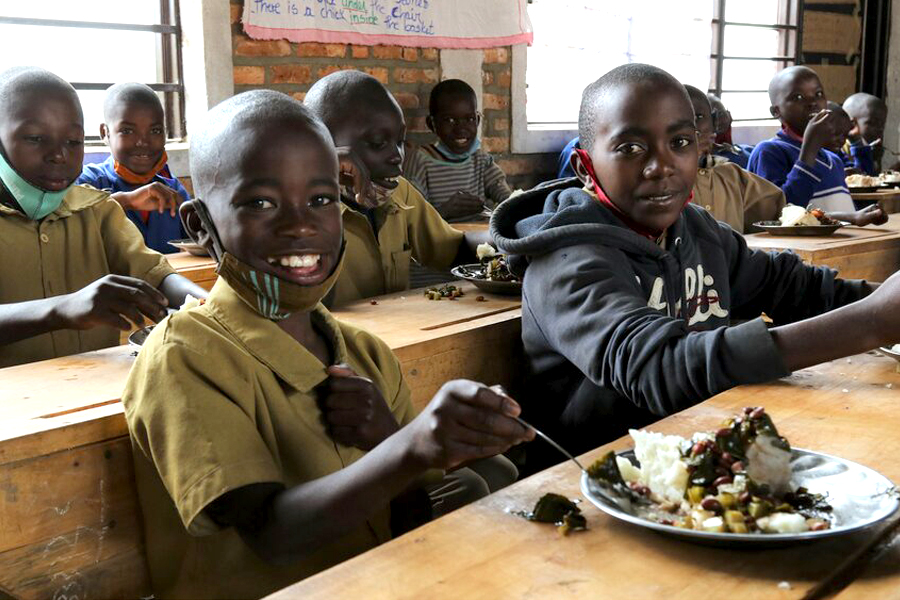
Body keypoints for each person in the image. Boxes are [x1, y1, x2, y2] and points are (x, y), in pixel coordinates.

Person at [123, 90, 533, 600]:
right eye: (260, 203)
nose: (300, 225)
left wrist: (395, 436)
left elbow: (407, 515)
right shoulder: (184, 356)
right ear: (200, 225)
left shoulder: (364, 351)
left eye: (321, 200)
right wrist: (410, 447)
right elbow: (274, 535)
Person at [490, 63, 900, 463]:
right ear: (585, 166)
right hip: (592, 475)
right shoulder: (566, 260)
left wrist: (880, 299)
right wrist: (871, 322)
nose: (662, 166)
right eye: (631, 148)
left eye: (681, 142)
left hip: (698, 449)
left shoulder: (696, 229)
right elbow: (660, 367)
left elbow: (790, 286)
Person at [0, 66, 205, 368]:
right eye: (34, 138)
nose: (59, 155)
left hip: (92, 393)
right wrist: (61, 309)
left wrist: (209, 309)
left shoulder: (97, 211)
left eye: (73, 142)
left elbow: (156, 276)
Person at [304, 70, 489, 306]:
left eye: (400, 141)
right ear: (325, 145)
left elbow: (453, 249)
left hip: (399, 337)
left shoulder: (398, 192)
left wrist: (513, 238)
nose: (396, 156)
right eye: (379, 143)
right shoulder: (301, 208)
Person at [748, 66, 885, 226]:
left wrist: (853, 216)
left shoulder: (833, 159)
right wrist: (810, 148)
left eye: (818, 94)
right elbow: (779, 216)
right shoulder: (769, 152)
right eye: (798, 97)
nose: (812, 103)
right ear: (776, 111)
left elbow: (821, 216)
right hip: (796, 250)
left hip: (837, 248)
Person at [77, 82, 188, 253]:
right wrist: (126, 201)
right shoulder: (88, 182)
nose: (143, 142)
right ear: (105, 133)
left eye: (155, 131)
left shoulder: (172, 190)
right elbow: (64, 226)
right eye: (127, 131)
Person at [403, 79, 512, 222]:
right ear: (432, 124)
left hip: (479, 239)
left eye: (470, 119)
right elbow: (411, 219)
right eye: (449, 120)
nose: (461, 129)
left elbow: (508, 200)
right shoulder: (421, 161)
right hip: (439, 241)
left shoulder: (481, 161)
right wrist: (445, 211)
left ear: (478, 121)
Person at [685, 85, 785, 233]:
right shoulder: (661, 179)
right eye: (680, 118)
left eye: (699, 117)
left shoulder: (733, 176)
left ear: (714, 123)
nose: (693, 126)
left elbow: (781, 215)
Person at [825, 101, 875, 176]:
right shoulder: (809, 155)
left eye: (845, 135)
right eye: (836, 134)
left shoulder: (838, 154)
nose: (842, 140)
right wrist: (840, 174)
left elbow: (866, 177)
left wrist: (856, 141)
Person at [843, 92, 887, 172]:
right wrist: (864, 154)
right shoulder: (838, 148)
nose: (880, 129)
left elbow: (870, 180)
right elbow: (859, 179)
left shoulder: (870, 148)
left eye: (882, 124)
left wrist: (872, 159)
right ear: (852, 124)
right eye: (873, 123)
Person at [707, 93, 753, 168]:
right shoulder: (710, 161)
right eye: (712, 116)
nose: (718, 121)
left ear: (729, 115)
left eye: (721, 114)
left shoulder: (746, 150)